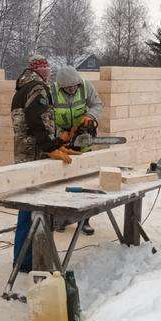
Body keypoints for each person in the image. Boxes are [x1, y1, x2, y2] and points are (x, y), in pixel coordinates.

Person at [10, 55, 80, 272]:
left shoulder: (25, 87)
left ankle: (26, 258)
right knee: (31, 208)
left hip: (29, 152)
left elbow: (42, 124)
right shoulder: (37, 88)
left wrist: (58, 143)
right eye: (46, 68)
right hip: (33, 156)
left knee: (28, 208)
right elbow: (36, 121)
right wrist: (51, 149)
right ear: (40, 69)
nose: (49, 71)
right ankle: (27, 261)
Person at [51, 65, 103, 235]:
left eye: (75, 86)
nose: (73, 89)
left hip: (82, 140)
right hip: (62, 141)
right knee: (62, 182)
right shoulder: (51, 92)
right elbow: (47, 119)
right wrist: (61, 135)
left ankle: (84, 220)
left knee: (83, 183)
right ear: (61, 86)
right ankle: (60, 218)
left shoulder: (85, 86)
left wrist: (90, 117)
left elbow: (97, 104)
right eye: (69, 87)